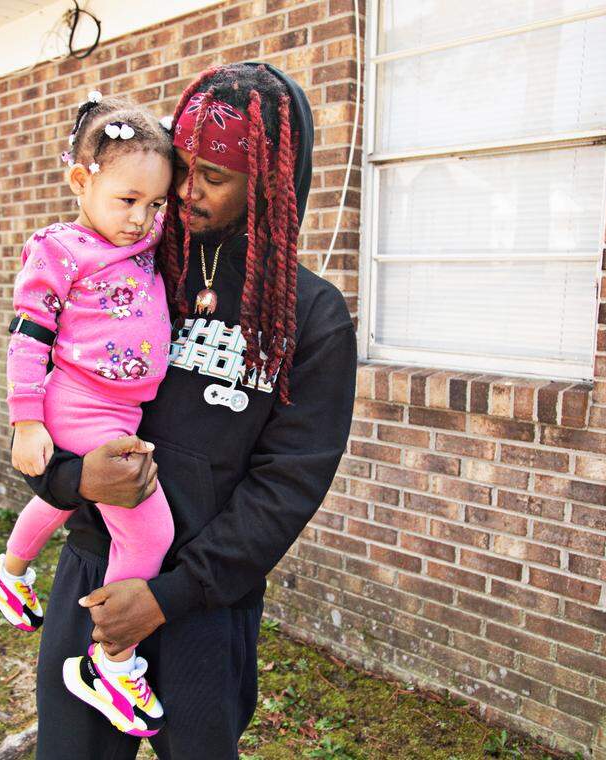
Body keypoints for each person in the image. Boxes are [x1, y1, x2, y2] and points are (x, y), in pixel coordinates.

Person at [25, 62, 358, 759]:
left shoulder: (310, 316)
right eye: (185, 163)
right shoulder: (127, 265)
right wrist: (70, 481)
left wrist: (171, 595)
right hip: (95, 570)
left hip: (203, 604)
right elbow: (44, 393)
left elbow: (288, 484)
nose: (184, 188)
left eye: (215, 174)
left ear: (267, 184)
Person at [0, 92, 177, 737]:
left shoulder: (142, 237)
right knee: (148, 531)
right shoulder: (59, 249)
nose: (142, 219)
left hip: (121, 406)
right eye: (128, 200)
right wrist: (26, 421)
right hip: (78, 402)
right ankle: (110, 661)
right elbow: (28, 334)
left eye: (156, 203)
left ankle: (8, 571)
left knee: (62, 501)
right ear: (81, 182)